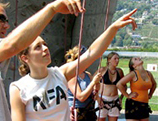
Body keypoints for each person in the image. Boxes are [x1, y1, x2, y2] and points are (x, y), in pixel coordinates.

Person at [9, 8, 137, 121]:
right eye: (38, 47)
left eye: (45, 44)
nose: (45, 49)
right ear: (25, 58)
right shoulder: (18, 89)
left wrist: (113, 28)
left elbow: (92, 54)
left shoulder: (60, 74)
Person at [65, 45, 102, 121]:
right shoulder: (72, 76)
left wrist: (96, 89)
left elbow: (94, 91)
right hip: (77, 113)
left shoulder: (88, 74)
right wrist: (93, 82)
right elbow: (81, 97)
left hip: (88, 111)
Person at [94, 52, 125, 121]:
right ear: (109, 60)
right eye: (115, 58)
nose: (117, 60)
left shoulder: (119, 71)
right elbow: (93, 83)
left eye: (118, 59)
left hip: (114, 100)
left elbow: (124, 86)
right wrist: (97, 97)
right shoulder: (102, 70)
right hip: (102, 100)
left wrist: (121, 97)